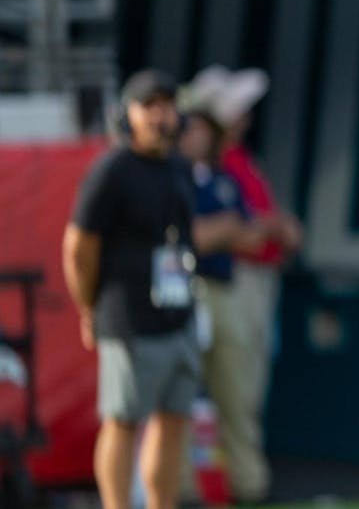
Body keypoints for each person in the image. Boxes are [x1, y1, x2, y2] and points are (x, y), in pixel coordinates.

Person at [61, 70, 199, 509]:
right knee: (123, 421)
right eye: (149, 106)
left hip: (178, 312)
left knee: (174, 419)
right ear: (128, 114)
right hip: (128, 318)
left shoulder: (178, 167)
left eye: (167, 104)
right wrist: (89, 307)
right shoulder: (113, 169)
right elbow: (79, 248)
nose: (161, 115)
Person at [185, 65, 300, 505]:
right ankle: (187, 491)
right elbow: (214, 233)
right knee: (186, 398)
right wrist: (236, 229)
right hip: (207, 286)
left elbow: (249, 229)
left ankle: (248, 487)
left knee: (242, 393)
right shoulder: (187, 172)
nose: (244, 120)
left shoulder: (230, 166)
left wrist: (259, 229)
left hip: (239, 285)